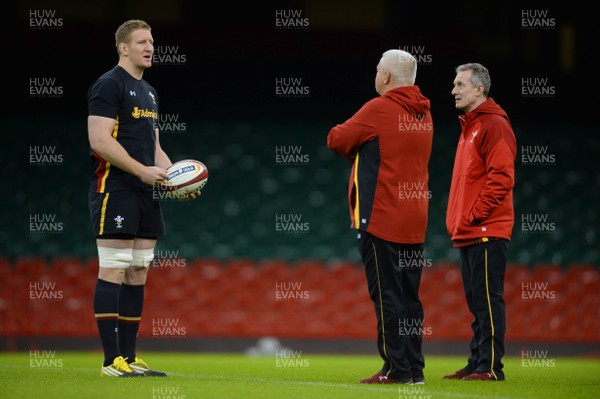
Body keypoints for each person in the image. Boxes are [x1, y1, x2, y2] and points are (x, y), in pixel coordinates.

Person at [87, 19, 198, 377]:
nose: (150, 47)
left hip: (145, 192)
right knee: (114, 269)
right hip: (116, 190)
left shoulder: (149, 92)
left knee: (137, 272)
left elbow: (156, 147)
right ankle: (110, 361)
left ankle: (131, 358)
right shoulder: (108, 85)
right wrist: (140, 170)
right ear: (123, 47)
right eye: (142, 42)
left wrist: (176, 177)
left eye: (152, 41)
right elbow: (100, 141)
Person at [327, 49, 433, 384]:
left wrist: (360, 149)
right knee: (410, 299)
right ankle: (414, 367)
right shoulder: (425, 114)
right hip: (414, 220)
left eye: (377, 70)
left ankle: (395, 369)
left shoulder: (379, 108)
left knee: (386, 296)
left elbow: (336, 138)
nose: (375, 74)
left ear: (386, 76)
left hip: (381, 219)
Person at [443, 63, 516, 381]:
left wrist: (474, 215)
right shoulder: (470, 127)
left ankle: (490, 367)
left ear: (479, 89)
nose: (453, 90)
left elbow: (502, 178)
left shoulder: (493, 125)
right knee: (477, 302)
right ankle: (477, 361)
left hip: (485, 229)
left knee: (487, 299)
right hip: (469, 231)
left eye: (459, 84)